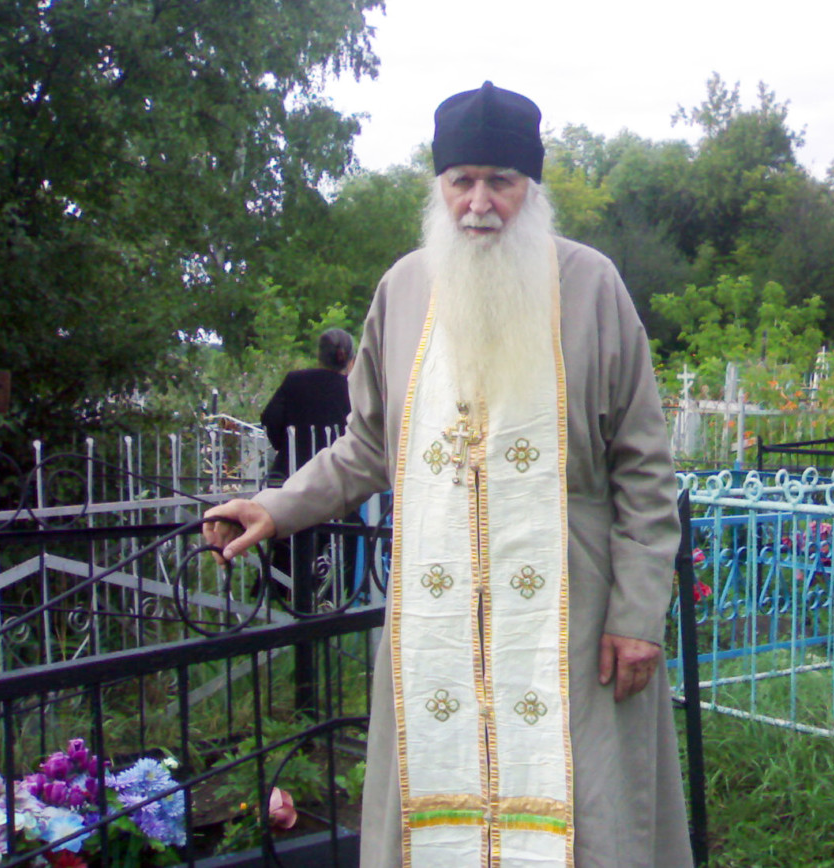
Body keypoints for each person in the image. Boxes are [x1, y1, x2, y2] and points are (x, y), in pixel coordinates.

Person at [204, 81, 692, 868]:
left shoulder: (592, 285)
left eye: (501, 180)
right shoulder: (403, 289)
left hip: (572, 617)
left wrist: (637, 614)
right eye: (462, 180)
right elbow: (367, 446)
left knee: (585, 813)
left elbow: (644, 465)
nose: (479, 203)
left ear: (532, 185)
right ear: (439, 184)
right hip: (440, 621)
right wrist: (276, 507)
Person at [260, 328, 357, 598]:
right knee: (332, 544)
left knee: (290, 540)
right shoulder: (353, 388)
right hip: (337, 478)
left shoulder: (295, 381)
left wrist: (287, 448)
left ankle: (287, 594)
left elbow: (270, 418)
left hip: (292, 472)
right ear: (350, 359)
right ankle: (330, 596)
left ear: (319, 355)